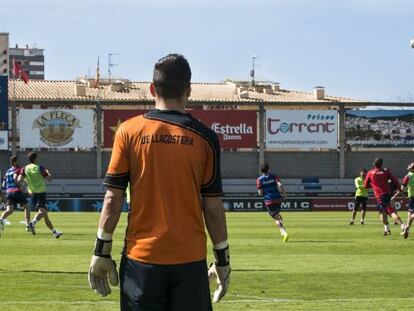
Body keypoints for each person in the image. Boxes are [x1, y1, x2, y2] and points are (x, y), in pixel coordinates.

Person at [88, 54, 230, 310]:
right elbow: (212, 208)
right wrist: (222, 259)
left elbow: (112, 199)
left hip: (141, 261)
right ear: (189, 90)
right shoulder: (206, 138)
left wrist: (101, 250)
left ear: (152, 89)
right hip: (190, 260)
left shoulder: (128, 131)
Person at [18, 152, 62, 238]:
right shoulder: (40, 168)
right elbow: (49, 179)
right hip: (41, 193)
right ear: (35, 159)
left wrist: (28, 184)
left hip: (32, 194)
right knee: (43, 212)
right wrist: (48, 172)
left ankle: (55, 232)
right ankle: (32, 223)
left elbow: (19, 179)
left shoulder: (25, 168)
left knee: (44, 214)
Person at [364, 158, 405, 236]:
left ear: (374, 164)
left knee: (390, 211)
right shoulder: (386, 171)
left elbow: (365, 185)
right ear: (382, 164)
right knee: (382, 211)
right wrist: (400, 190)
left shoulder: (370, 173)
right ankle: (386, 227)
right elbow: (395, 180)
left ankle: (403, 226)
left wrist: (373, 185)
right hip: (387, 194)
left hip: (380, 196)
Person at [0, 156, 34, 236]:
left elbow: (3, 184)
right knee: (27, 207)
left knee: (9, 210)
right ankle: (27, 225)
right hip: (16, 191)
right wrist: (21, 187)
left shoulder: (7, 171)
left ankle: (1, 219)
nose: (19, 162)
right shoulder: (18, 169)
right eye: (18, 161)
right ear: (14, 162)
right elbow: (17, 179)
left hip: (8, 192)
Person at [256, 163, 289, 242]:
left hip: (269, 200)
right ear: (268, 169)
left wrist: (262, 191)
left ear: (261, 171)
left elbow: (260, 193)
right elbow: (280, 185)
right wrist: (284, 194)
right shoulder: (274, 176)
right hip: (278, 198)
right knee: (277, 215)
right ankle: (282, 230)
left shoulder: (259, 179)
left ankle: (284, 232)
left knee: (275, 218)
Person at [392, 162, 414, 239]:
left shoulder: (408, 176)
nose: (408, 166)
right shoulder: (408, 176)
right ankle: (406, 230)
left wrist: (394, 195)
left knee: (411, 216)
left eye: (410, 165)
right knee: (409, 216)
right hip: (412, 198)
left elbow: (401, 188)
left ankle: (406, 228)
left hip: (412, 198)